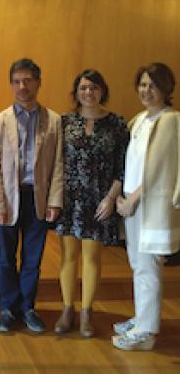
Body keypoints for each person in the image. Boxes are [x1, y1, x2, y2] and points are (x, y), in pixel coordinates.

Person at [0, 58, 63, 333]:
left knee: (33, 259)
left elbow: (58, 164)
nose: (22, 86)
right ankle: (7, 307)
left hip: (37, 200)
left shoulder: (53, 121)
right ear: (11, 85)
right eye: (17, 81)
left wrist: (55, 200)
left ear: (38, 83)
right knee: (6, 259)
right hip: (6, 200)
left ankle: (28, 307)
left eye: (28, 80)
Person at [54, 69, 129, 337]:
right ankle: (67, 309)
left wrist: (111, 197)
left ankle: (86, 311)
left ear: (102, 90)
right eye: (83, 88)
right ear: (76, 92)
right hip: (70, 199)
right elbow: (57, 163)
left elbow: (123, 166)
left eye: (93, 87)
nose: (88, 92)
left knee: (92, 257)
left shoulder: (117, 124)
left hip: (100, 200)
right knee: (68, 256)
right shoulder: (64, 122)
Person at [112, 63, 180, 351]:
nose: (146, 90)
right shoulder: (139, 119)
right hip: (132, 201)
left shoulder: (172, 120)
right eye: (142, 84)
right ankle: (142, 318)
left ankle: (147, 332)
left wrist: (134, 199)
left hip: (150, 203)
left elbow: (163, 169)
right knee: (138, 264)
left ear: (166, 88)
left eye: (152, 85)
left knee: (149, 267)